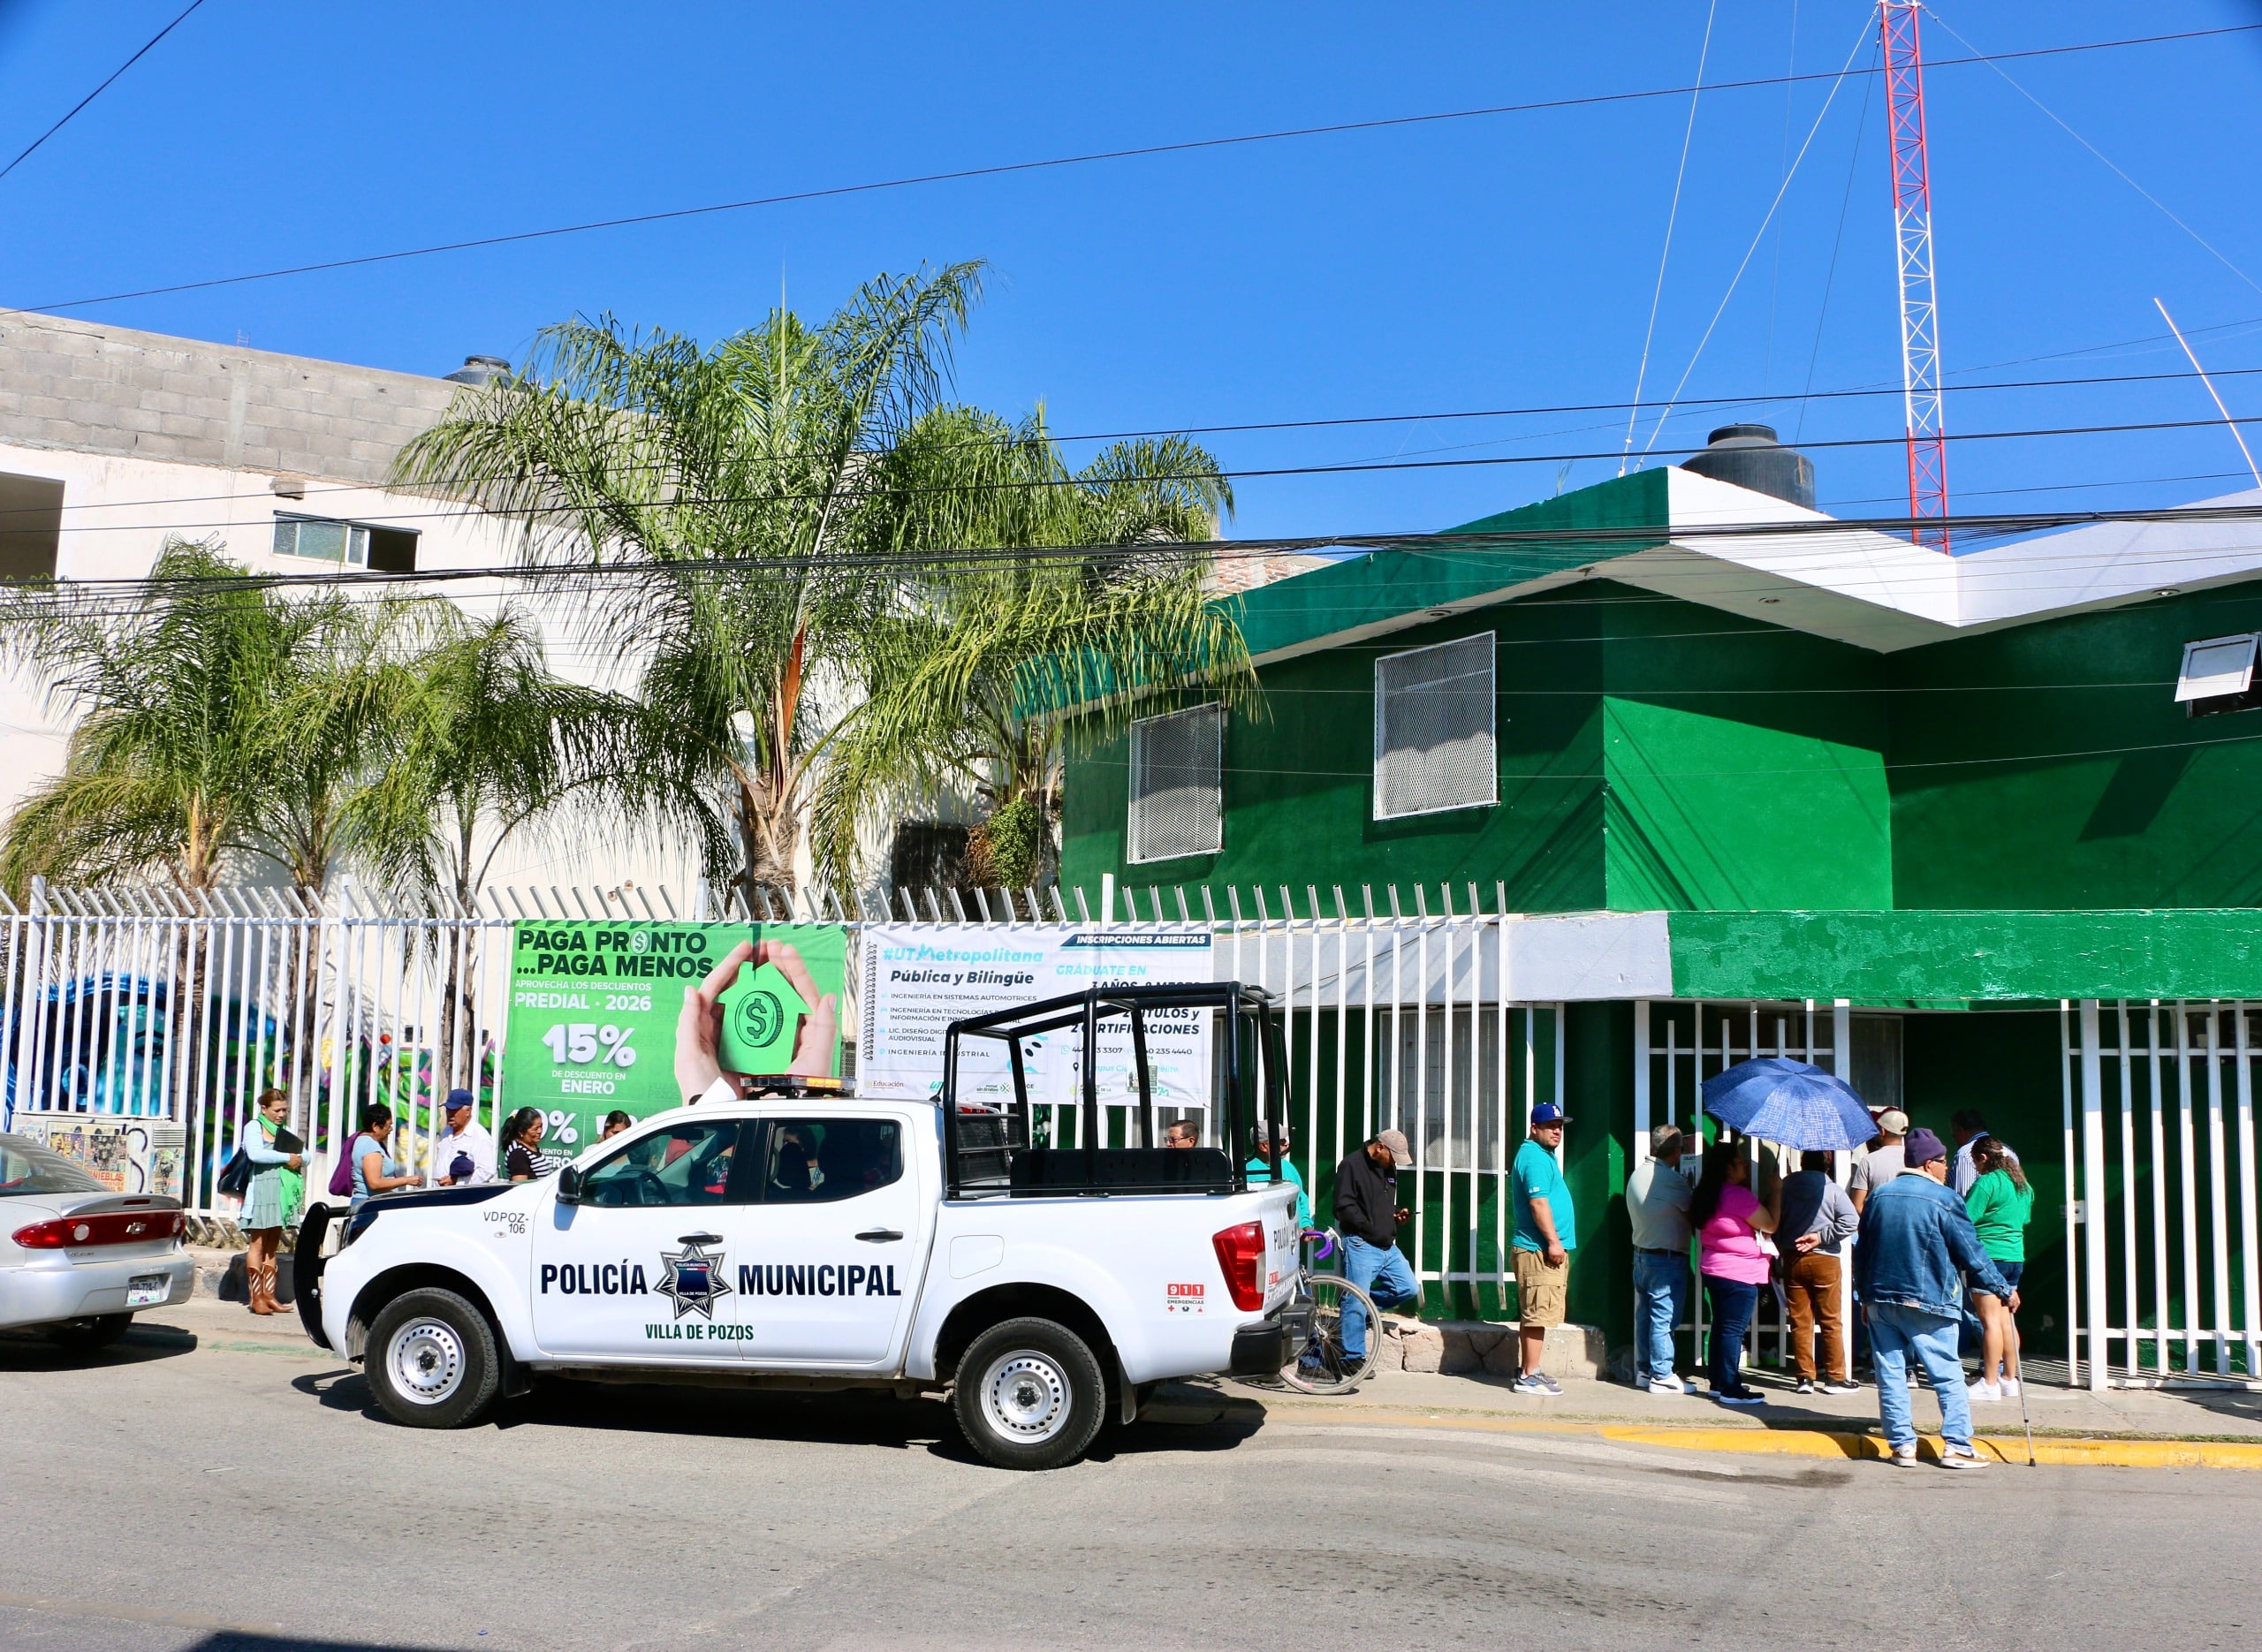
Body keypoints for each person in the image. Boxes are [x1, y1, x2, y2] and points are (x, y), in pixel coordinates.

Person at [1853, 1126, 2015, 1469]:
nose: (1948, 1169)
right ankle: (1956, 1445)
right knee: (1946, 1373)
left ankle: (1902, 1446)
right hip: (1930, 1298)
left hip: (1881, 1298)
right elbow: (1972, 1253)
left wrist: (1865, 1296)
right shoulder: (1945, 1199)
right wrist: (2003, 1288)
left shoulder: (1880, 1196)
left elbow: (1862, 1251)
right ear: (1929, 1164)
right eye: (1944, 1162)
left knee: (1891, 1374)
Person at [1690, 1141, 1783, 1406]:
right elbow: (1771, 1224)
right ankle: (1730, 1386)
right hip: (1739, 1273)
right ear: (1728, 1167)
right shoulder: (1737, 1196)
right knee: (1732, 1330)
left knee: (1721, 1326)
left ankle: (1718, 1382)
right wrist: (1776, 1192)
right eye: (1740, 1161)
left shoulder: (1707, 1194)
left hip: (1715, 1269)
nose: (1744, 1165)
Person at [1777, 1149, 1862, 1394]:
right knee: (1831, 1320)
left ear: (1802, 1163)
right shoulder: (1831, 1189)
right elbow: (1850, 1221)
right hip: (1825, 1259)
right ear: (1827, 1165)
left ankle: (1804, 1378)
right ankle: (1835, 1377)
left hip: (1793, 1258)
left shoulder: (1786, 1187)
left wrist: (1785, 1244)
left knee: (1800, 1321)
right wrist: (1821, 1237)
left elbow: (1774, 1219)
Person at [1332, 1129, 1417, 1365]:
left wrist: (1395, 1213)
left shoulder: (1388, 1167)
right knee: (1357, 1299)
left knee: (1407, 1288)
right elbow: (1342, 1207)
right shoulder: (1350, 1165)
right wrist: (1369, 1226)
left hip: (1386, 1245)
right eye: (1393, 1156)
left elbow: (1380, 1202)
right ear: (1379, 1147)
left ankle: (1357, 1312)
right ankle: (1352, 1358)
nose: (1395, 1163)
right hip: (1361, 1243)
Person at [1509, 1102, 1576, 1396]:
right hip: (1538, 1250)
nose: (1557, 1131)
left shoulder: (1542, 1155)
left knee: (1536, 1314)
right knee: (1537, 1314)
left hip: (1541, 1249)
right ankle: (1528, 1376)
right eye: (1551, 1126)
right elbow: (1538, 1203)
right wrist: (1553, 1241)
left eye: (1560, 1126)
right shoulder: (1535, 1158)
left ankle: (1531, 1369)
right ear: (1534, 1128)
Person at [1624, 1122, 1694, 1394]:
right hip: (1666, 1259)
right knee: (1664, 1319)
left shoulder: (1637, 1174)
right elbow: (1693, 1211)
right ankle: (1662, 1374)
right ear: (1676, 1152)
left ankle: (1644, 1370)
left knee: (1645, 1317)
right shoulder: (1671, 1180)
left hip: (1641, 1255)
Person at [1964, 1135, 2034, 1403]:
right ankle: (2009, 1379)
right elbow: (2024, 1218)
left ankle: (1990, 1382)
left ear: (1983, 1158)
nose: (1976, 1168)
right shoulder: (2023, 1186)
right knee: (2006, 1320)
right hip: (2015, 1258)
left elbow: (1966, 1218)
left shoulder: (1986, 1182)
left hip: (1988, 1257)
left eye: (1975, 1162)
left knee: (1989, 1322)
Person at [240, 1088, 303, 1315]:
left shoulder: (283, 1131)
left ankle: (269, 1295)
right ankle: (256, 1297)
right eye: (277, 1110)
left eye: (284, 1110)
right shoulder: (253, 1127)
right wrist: (287, 1158)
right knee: (257, 1243)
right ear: (264, 1109)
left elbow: (304, 1155)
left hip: (279, 1192)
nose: (281, 1114)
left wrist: (297, 1158)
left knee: (272, 1244)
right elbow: (256, 1155)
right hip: (260, 1191)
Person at [349, 1104, 417, 1211]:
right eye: (388, 1126)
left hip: (369, 1203)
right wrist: (407, 1180)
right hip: (371, 1206)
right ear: (375, 1126)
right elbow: (374, 1183)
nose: (390, 1130)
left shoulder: (362, 1141)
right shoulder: (370, 1146)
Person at [1244, 1120, 1311, 1227]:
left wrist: (1305, 1224)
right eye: (1281, 1141)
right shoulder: (1247, 1172)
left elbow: (1301, 1198)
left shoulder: (1289, 1167)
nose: (1286, 1143)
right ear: (1263, 1146)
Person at [1848, 1109, 1909, 1215]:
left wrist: (1874, 1222)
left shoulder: (1869, 1161)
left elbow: (1857, 1206)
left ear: (1882, 1131)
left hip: (1877, 1228)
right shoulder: (1913, 1158)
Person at [433, 1089, 495, 1186]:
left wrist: (457, 1181)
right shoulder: (446, 1131)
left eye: (454, 1111)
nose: (450, 1115)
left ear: (468, 1111)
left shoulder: (479, 1136)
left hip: (463, 1196)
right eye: (448, 1110)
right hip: (440, 1194)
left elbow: (487, 1171)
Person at [502, 1108, 559, 1181]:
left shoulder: (531, 1146)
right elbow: (520, 1186)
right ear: (521, 1132)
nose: (540, 1131)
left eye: (541, 1126)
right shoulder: (518, 1154)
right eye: (535, 1129)